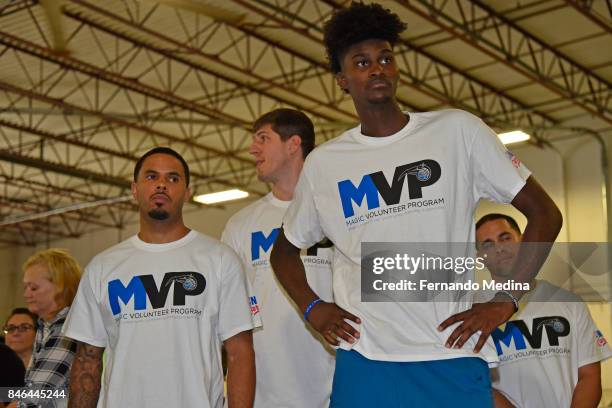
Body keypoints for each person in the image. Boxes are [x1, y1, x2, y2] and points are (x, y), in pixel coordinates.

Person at [270, 3, 562, 407]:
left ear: (396, 68)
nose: (376, 68)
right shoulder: (325, 164)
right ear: (342, 80)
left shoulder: (456, 131)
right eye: (361, 62)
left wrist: (505, 299)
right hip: (367, 359)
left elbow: (545, 214)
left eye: (385, 58)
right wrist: (313, 307)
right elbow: (283, 252)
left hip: (451, 352)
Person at [62, 147, 256, 408]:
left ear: (187, 193)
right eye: (152, 177)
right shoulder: (102, 267)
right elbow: (87, 359)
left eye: (173, 178)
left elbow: (240, 354)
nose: (162, 185)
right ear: (134, 188)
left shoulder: (220, 259)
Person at [222, 109, 334, 407]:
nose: (252, 148)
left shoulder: (337, 212)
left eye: (263, 138)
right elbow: (231, 317)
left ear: (293, 144)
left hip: (338, 385)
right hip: (266, 391)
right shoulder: (240, 224)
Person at [476, 213, 612, 408]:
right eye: (488, 244)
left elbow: (588, 375)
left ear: (523, 241)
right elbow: (477, 384)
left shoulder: (569, 302)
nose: (499, 248)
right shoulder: (472, 311)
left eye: (505, 238)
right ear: (480, 257)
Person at [10, 249, 82, 408]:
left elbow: (36, 396)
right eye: (26, 287)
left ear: (61, 287)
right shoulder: (46, 325)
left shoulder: (65, 326)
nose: (26, 294)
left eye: (34, 288)